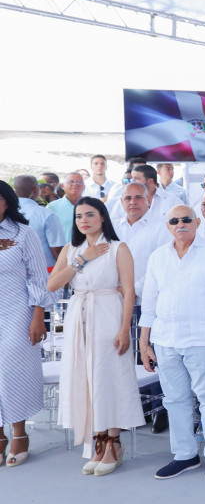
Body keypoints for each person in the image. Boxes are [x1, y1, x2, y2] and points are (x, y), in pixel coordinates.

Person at [47, 197, 141, 475]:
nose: (84, 220)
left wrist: (124, 329)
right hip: (79, 318)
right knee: (85, 377)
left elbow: (129, 290)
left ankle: (113, 441)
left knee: (109, 377)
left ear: (102, 217)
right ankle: (98, 439)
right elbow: (53, 284)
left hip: (108, 314)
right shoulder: (71, 249)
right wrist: (81, 259)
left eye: (90, 214)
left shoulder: (118, 248)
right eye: (79, 216)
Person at [138, 205, 205, 482]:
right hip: (165, 339)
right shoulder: (158, 257)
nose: (181, 224)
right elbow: (149, 303)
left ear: (197, 222)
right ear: (168, 226)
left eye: (186, 219)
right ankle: (185, 455)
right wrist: (144, 342)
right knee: (174, 399)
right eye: (174, 220)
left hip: (202, 338)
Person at [0, 181, 54, 467]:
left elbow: (38, 276)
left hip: (16, 311)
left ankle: (20, 434)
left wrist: (38, 316)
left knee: (13, 371)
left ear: (7, 202)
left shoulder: (23, 232)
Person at [12, 175, 61, 268]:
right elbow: (57, 249)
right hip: (44, 271)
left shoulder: (5, 212)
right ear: (35, 190)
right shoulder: (46, 214)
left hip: (11, 272)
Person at [47, 171, 85, 243]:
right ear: (62, 186)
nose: (75, 184)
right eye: (71, 182)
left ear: (84, 186)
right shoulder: (52, 207)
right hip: (63, 248)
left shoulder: (92, 205)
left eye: (79, 182)